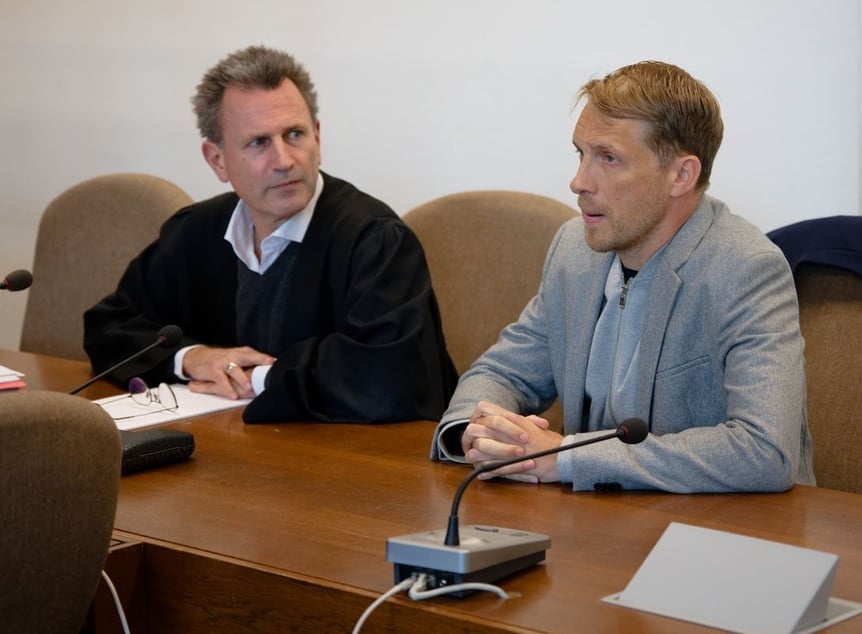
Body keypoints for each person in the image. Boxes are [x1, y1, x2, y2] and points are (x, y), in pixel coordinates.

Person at [430, 61, 815, 492]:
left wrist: (568, 457)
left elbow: (764, 451)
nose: (578, 182)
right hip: (596, 527)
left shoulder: (746, 269)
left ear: (681, 175)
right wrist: (478, 431)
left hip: (722, 535)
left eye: (609, 158)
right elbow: (504, 373)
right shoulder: (574, 250)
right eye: (581, 153)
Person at [84, 45, 457, 423]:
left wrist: (256, 378)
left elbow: (389, 380)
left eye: (294, 134)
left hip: (353, 464)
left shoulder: (375, 241)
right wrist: (191, 358)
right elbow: (109, 327)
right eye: (258, 142)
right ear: (217, 159)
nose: (284, 161)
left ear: (317, 138)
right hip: (227, 454)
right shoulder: (197, 232)